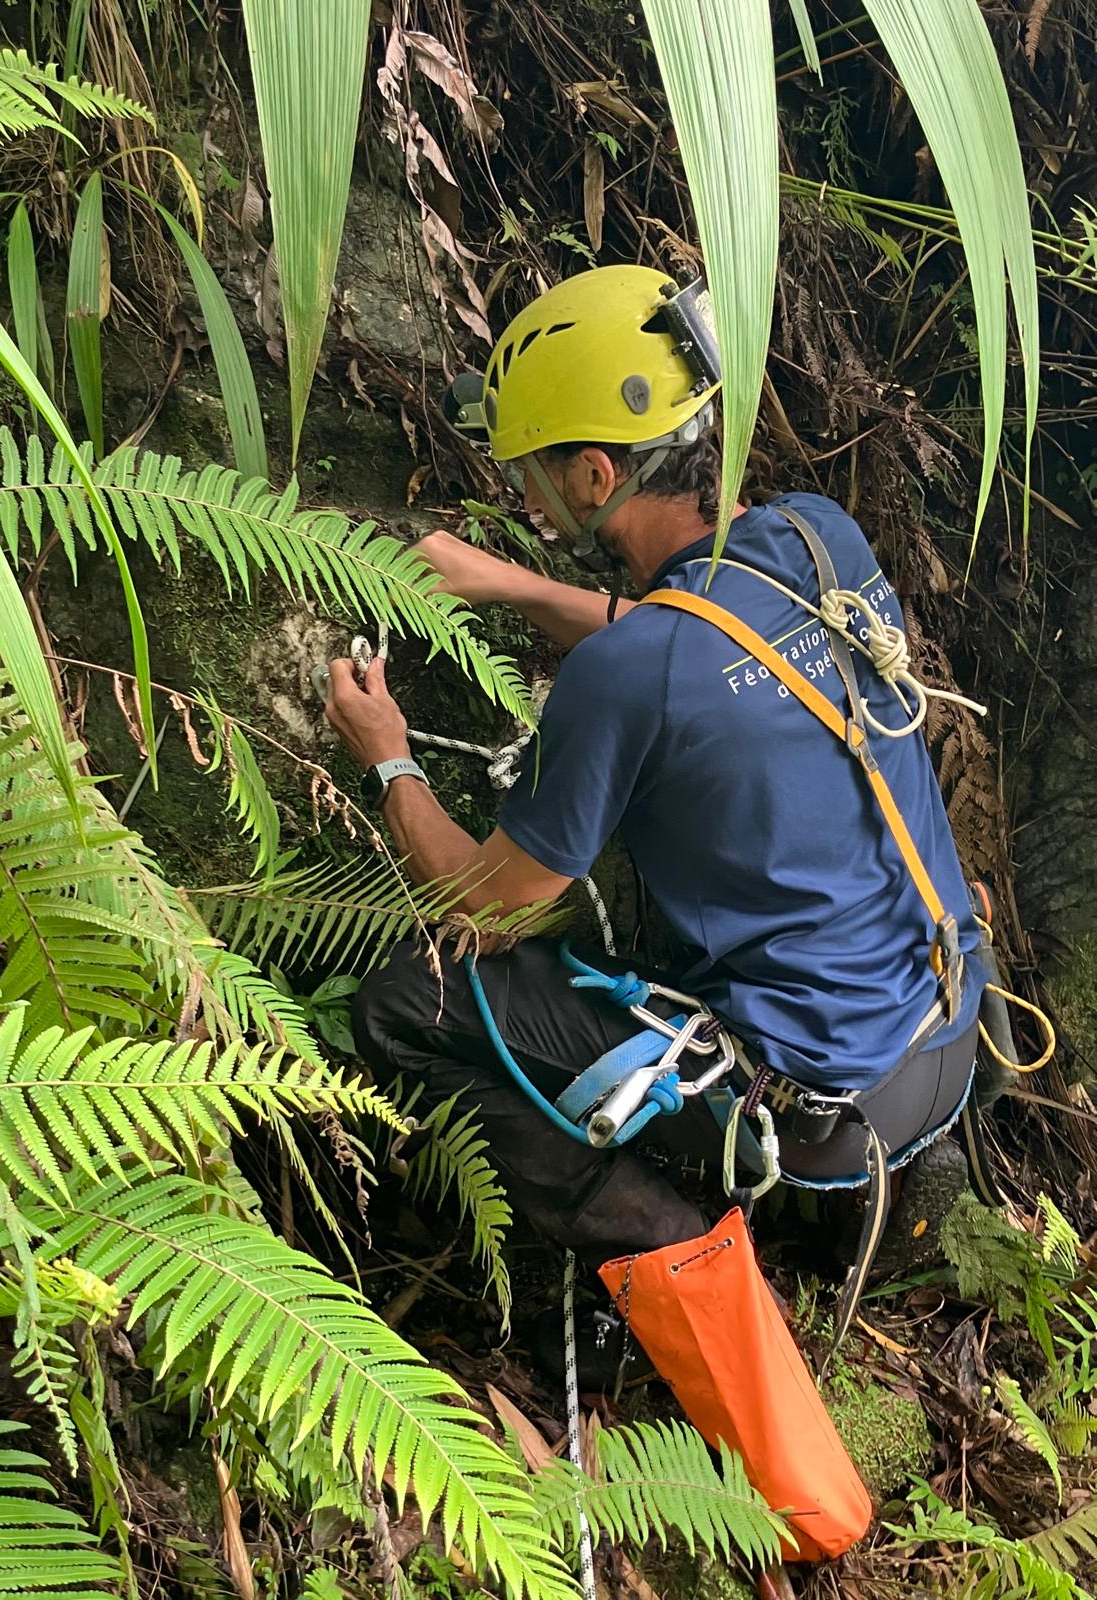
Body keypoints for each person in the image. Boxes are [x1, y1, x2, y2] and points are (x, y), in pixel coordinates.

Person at [323, 263, 985, 1279]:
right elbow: (715, 641)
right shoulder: (821, 537)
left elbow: (483, 906)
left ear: (596, 474)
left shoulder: (621, 678)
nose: (519, 490)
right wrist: (513, 584)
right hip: (946, 1032)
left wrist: (388, 759)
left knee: (406, 1007)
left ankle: (666, 1264)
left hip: (818, 1110)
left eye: (532, 468)